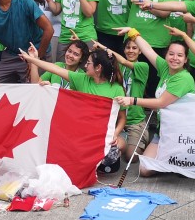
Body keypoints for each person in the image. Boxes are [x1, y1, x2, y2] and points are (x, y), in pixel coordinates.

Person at [81, 0, 181, 97]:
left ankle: (149, 113)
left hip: (156, 42)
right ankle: (130, 110)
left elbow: (165, 12)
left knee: (153, 80)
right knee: (130, 78)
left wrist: (142, 0)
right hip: (133, 41)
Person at [22, 43, 127, 171]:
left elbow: (122, 118)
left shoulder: (116, 89)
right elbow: (54, 69)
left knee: (119, 145)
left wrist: (115, 134)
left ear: (98, 67)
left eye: (88, 63)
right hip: (81, 133)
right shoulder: (81, 79)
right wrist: (32, 59)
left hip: (104, 133)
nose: (85, 65)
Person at [113, 29, 195, 177]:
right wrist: (132, 32)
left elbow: (161, 102)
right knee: (144, 169)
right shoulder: (166, 68)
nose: (174, 58)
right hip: (163, 131)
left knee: (177, 167)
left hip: (181, 134)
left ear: (186, 59)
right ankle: (172, 161)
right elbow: (148, 50)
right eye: (171, 54)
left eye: (180, 55)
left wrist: (132, 100)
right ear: (166, 55)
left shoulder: (183, 78)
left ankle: (178, 159)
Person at [92, 38, 149, 160]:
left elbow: (122, 61)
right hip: (118, 120)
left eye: (134, 48)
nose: (130, 51)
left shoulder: (143, 66)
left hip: (135, 122)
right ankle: (124, 140)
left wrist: (103, 47)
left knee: (130, 157)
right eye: (128, 47)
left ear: (140, 51)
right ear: (124, 49)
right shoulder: (119, 68)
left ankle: (141, 137)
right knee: (114, 146)